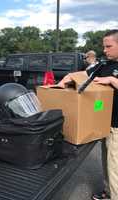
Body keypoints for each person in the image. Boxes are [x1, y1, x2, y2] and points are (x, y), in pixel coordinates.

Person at [58, 29, 118, 200]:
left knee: (115, 165)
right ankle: (109, 192)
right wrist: (67, 78)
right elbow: (84, 75)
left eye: (109, 46)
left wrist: (113, 81)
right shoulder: (104, 64)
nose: (105, 50)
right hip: (105, 122)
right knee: (108, 162)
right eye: (104, 46)